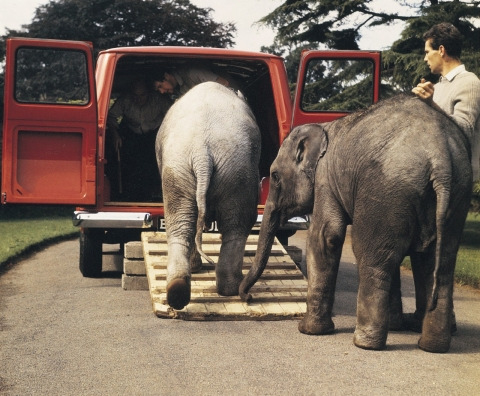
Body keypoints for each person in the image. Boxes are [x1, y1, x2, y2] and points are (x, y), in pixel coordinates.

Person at [412, 22, 480, 180]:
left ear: (441, 50)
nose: (425, 58)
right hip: (439, 177)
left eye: (427, 52)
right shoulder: (439, 86)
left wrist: (431, 104)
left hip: (459, 182)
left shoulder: (469, 82)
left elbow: (464, 129)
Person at [106, 78, 172, 201]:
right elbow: (111, 116)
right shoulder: (125, 100)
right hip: (132, 136)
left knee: (154, 165)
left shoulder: (159, 100)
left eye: (142, 95)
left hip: (154, 135)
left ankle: (156, 194)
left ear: (148, 93)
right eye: (135, 95)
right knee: (131, 165)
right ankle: (129, 195)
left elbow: (174, 114)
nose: (139, 99)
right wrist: (115, 134)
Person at [152, 66, 233, 97]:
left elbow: (224, 84)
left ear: (166, 76)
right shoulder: (176, 90)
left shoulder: (192, 73)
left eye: (160, 86)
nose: (162, 91)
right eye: (159, 90)